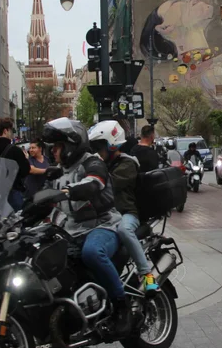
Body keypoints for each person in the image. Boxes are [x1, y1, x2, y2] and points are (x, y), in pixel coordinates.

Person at [42, 118, 131, 336]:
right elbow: (43, 198)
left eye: (57, 147)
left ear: (71, 145)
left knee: (92, 252)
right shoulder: (59, 171)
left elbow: (94, 183)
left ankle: (122, 305)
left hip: (103, 225)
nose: (53, 152)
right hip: (71, 230)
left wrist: (67, 192)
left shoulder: (92, 163)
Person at [88, 121, 159, 294]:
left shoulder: (128, 164)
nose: (98, 152)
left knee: (124, 231)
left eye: (100, 147)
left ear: (112, 145)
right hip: (107, 215)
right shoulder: (102, 163)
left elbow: (108, 183)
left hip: (127, 213)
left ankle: (147, 275)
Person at [0, 117, 33, 211]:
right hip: (12, 194)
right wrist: (26, 159)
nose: (12, 134)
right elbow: (25, 171)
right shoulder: (15, 151)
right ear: (5, 131)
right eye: (11, 131)